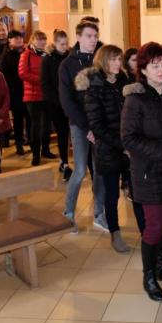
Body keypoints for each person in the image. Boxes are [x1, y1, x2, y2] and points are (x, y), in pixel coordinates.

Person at [120, 42, 162, 302]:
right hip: (149, 172)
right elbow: (128, 139)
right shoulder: (135, 99)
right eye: (154, 65)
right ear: (143, 70)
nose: (161, 70)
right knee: (154, 226)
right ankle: (149, 276)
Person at [76, 45, 132, 253]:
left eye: (120, 59)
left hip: (128, 147)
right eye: (113, 59)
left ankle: (146, 230)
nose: (118, 63)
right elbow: (97, 126)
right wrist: (123, 145)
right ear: (103, 61)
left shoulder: (125, 83)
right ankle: (115, 233)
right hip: (109, 149)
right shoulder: (94, 87)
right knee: (111, 194)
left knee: (134, 189)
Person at [60, 20, 107, 232]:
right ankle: (68, 213)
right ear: (78, 37)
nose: (93, 40)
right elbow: (67, 101)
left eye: (95, 36)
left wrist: (100, 125)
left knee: (100, 170)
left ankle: (99, 214)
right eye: (89, 36)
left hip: (100, 124)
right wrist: (87, 128)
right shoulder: (67, 65)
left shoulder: (101, 61)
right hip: (80, 124)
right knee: (79, 170)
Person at [41, 29, 73, 180]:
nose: (65, 46)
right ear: (55, 43)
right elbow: (45, 84)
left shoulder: (71, 57)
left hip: (71, 102)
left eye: (66, 43)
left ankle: (77, 162)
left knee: (74, 132)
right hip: (56, 103)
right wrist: (59, 101)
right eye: (61, 44)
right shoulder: (47, 59)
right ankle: (64, 162)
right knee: (62, 133)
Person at [19, 30, 54, 166]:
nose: (42, 42)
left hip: (46, 95)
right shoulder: (26, 54)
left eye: (44, 39)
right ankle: (35, 154)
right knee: (36, 125)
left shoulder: (47, 55)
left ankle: (46, 150)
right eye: (39, 39)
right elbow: (23, 74)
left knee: (46, 125)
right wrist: (42, 80)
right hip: (32, 95)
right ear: (33, 40)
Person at [121, 47, 146, 232]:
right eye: (133, 60)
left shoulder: (146, 83)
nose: (136, 63)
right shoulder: (127, 84)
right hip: (131, 139)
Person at [0, 30, 31, 155]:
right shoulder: (6, 55)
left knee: (30, 118)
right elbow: (5, 75)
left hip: (27, 90)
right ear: (10, 40)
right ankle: (19, 144)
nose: (19, 40)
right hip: (15, 92)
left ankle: (31, 141)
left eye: (20, 38)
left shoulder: (26, 52)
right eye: (15, 38)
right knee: (18, 120)